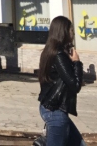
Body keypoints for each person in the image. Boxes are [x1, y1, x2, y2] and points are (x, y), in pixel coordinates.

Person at [37, 16, 85, 146]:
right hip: (55, 111)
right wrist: (76, 62)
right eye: (70, 30)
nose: (73, 33)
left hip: (52, 108)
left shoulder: (50, 52)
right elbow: (75, 85)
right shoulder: (59, 55)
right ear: (63, 31)